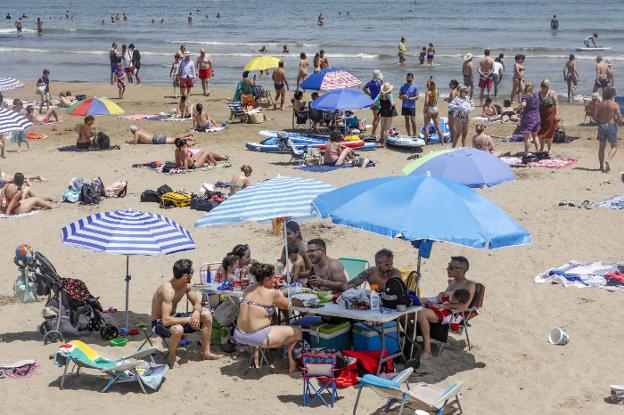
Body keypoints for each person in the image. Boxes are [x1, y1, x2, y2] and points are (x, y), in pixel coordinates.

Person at [150, 259, 221, 368]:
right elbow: (165, 321)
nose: (193, 274)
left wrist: (196, 313)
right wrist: (189, 319)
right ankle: (172, 357)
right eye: (192, 272)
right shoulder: (167, 290)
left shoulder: (186, 285)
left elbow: (197, 304)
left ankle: (206, 352)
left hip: (173, 318)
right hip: (159, 323)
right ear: (185, 276)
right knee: (178, 329)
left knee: (206, 314)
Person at [234, 262, 302, 373]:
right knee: (297, 331)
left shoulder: (248, 289)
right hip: (258, 337)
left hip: (239, 334)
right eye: (273, 277)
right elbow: (286, 305)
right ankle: (292, 367)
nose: (275, 280)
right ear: (266, 279)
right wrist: (279, 294)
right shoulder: (272, 293)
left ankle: (256, 362)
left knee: (258, 325)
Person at [416, 256, 476, 359]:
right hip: (440, 305)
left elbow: (464, 306)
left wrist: (441, 305)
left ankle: (427, 351)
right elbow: (444, 294)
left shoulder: (469, 285)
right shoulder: (452, 282)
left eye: (450, 267)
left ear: (460, 270)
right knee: (413, 303)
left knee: (421, 312)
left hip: (451, 313)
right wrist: (440, 295)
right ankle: (412, 341)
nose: (447, 269)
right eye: (448, 266)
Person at [594, 87, 621, 173]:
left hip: (602, 125)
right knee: (614, 146)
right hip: (611, 126)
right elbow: (620, 118)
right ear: (612, 95)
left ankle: (601, 166)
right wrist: (615, 121)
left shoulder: (599, 104)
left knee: (601, 148)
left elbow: (595, 117)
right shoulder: (614, 104)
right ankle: (608, 160)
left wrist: (599, 122)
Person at [519, 82, 541, 154]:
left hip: (528, 118)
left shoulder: (526, 96)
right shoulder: (536, 95)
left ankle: (526, 152)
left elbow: (523, 104)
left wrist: (518, 108)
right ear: (533, 87)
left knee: (527, 137)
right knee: (535, 136)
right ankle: (538, 151)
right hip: (537, 117)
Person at [537, 80, 559, 153]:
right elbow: (536, 105)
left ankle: (549, 149)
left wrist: (556, 114)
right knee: (540, 132)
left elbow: (556, 104)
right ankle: (542, 148)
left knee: (550, 132)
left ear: (548, 86)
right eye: (542, 85)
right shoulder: (539, 94)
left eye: (544, 85)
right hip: (541, 115)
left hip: (550, 115)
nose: (543, 87)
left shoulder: (551, 93)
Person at [422, 79, 445, 144]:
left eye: (428, 85)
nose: (427, 86)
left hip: (429, 109)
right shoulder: (436, 91)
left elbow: (426, 102)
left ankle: (425, 141)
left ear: (430, 85)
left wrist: (424, 110)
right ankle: (442, 141)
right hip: (435, 108)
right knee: (438, 126)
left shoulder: (427, 92)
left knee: (427, 126)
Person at [363, 70, 383, 137]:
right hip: (377, 102)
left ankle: (373, 132)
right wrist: (382, 82)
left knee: (375, 118)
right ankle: (373, 133)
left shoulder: (369, 82)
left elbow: (364, 89)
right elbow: (383, 91)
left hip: (372, 101)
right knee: (377, 118)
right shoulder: (378, 83)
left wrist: (369, 94)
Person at [127, 125, 195, 145]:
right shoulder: (140, 129)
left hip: (156, 139)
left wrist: (129, 142)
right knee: (173, 139)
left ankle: (188, 139)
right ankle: (188, 136)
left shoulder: (136, 133)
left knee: (174, 141)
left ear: (132, 131)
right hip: (156, 136)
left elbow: (135, 142)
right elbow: (142, 140)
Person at [376, 83, 395, 148]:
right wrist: (394, 104)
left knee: (382, 128)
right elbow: (392, 104)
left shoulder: (379, 95)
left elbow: (375, 102)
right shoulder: (390, 95)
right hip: (389, 113)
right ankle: (384, 144)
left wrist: (380, 105)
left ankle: (381, 140)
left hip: (383, 113)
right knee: (387, 129)